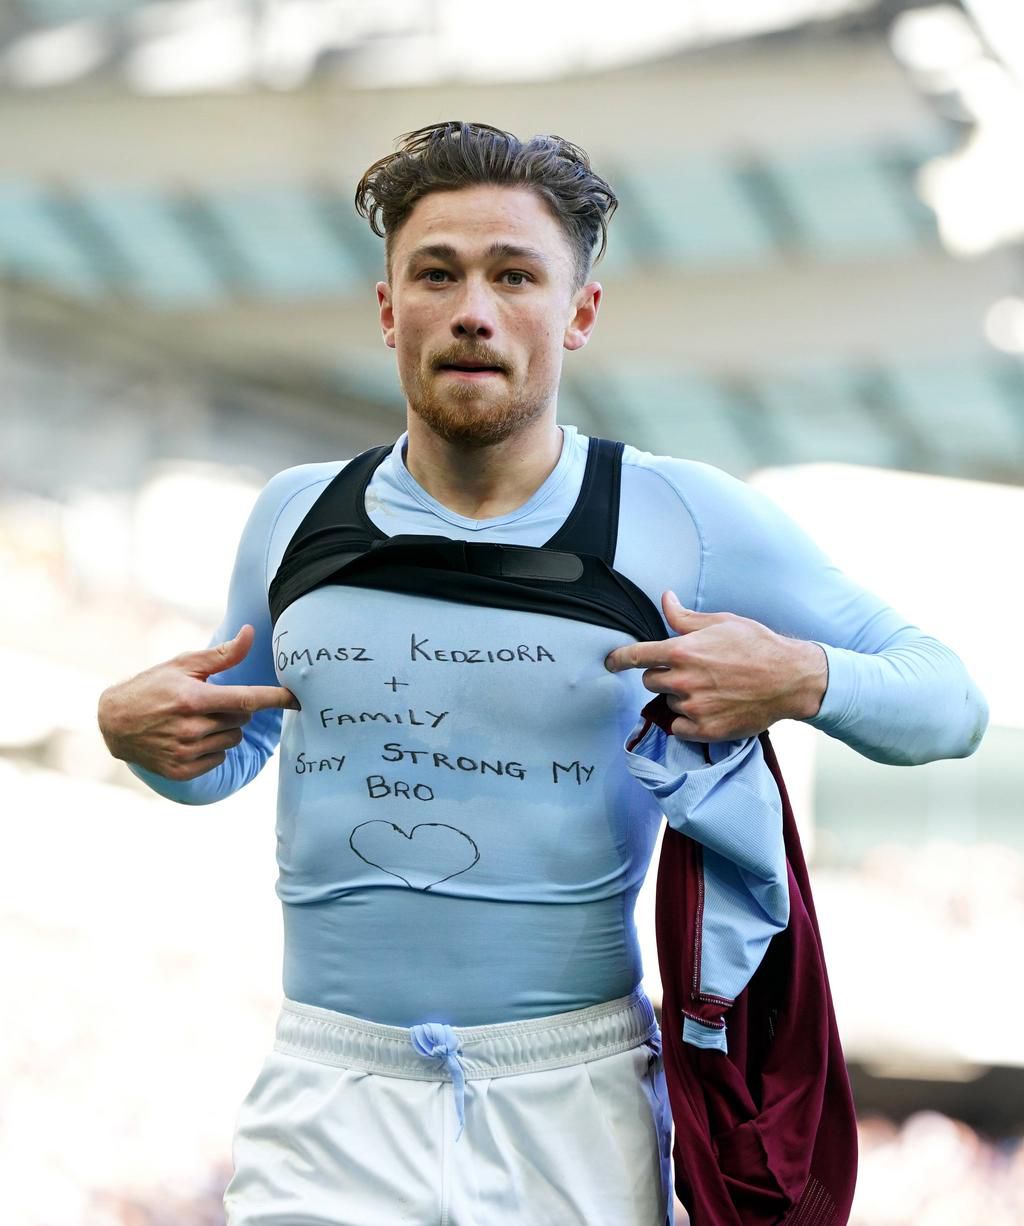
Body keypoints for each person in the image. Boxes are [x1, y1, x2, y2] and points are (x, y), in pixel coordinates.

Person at [97, 121, 987, 1226]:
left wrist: (799, 676)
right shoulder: (293, 514)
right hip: (330, 1089)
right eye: (438, 273)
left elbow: (949, 701)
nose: (474, 307)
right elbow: (226, 754)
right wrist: (136, 737)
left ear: (578, 313)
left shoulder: (680, 515)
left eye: (514, 274)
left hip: (571, 1097)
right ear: (389, 311)